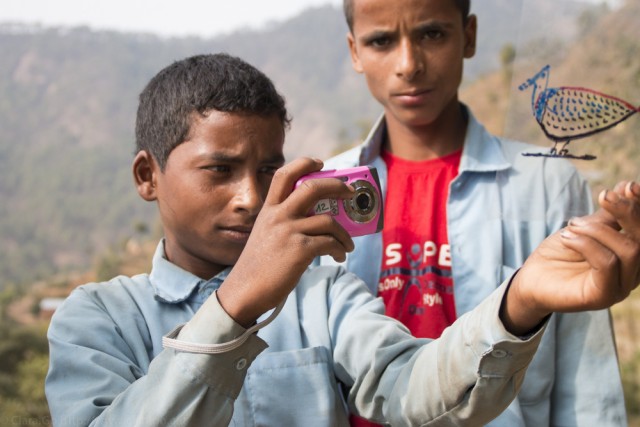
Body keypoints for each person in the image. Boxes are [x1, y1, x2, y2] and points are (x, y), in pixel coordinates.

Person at [44, 53, 640, 427]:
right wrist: (237, 305)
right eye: (219, 170)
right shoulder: (95, 319)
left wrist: (521, 302)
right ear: (148, 176)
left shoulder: (320, 291)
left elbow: (417, 392)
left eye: (267, 169)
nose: (251, 197)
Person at [319, 0, 627, 425]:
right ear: (355, 51)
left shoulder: (546, 186)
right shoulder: (327, 192)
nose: (409, 64)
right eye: (382, 41)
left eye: (431, 34)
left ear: (468, 36)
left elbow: (586, 381)